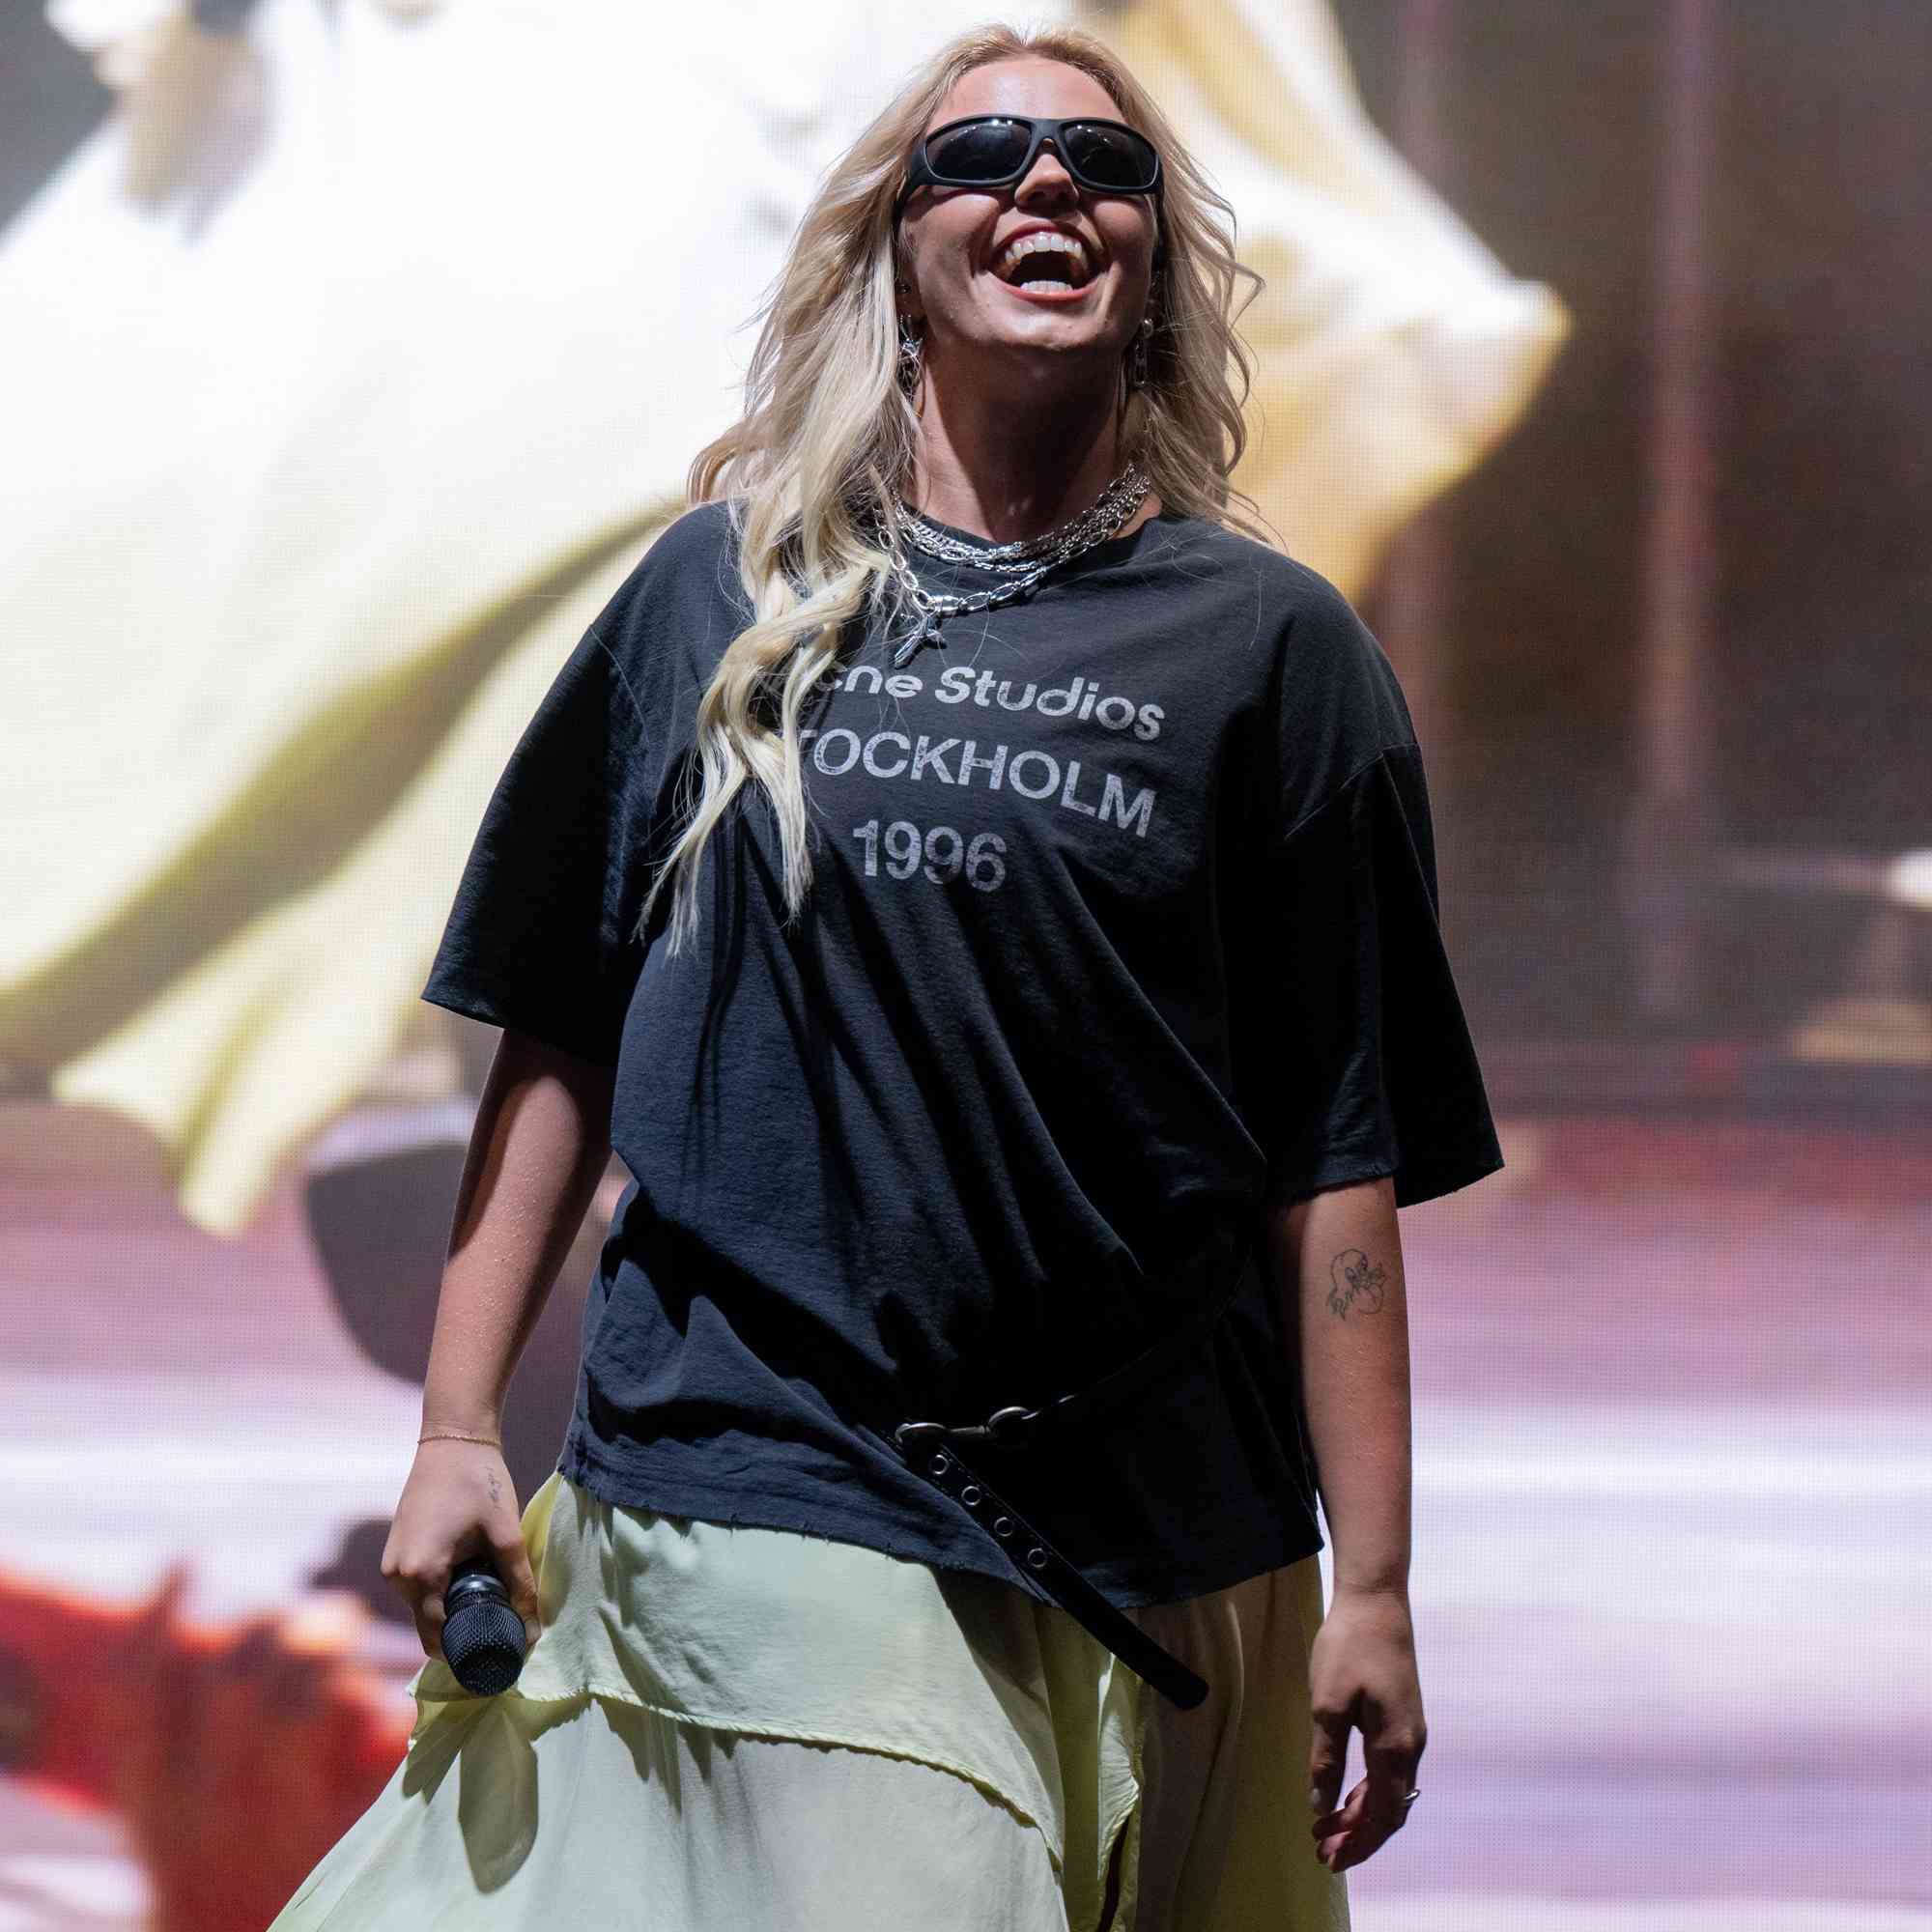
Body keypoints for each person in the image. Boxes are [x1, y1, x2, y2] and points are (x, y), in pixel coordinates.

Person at [269, 23, 1504, 1932]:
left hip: (1169, 1522)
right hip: (762, 1465)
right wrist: (452, 1434)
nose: (1045, 186)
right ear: (889, 247)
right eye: (983, 155)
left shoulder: (1274, 652)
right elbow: (556, 1031)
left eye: (1103, 168)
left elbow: (1329, 1154)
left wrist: (1376, 1583)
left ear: (1156, 256)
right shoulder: (714, 594)